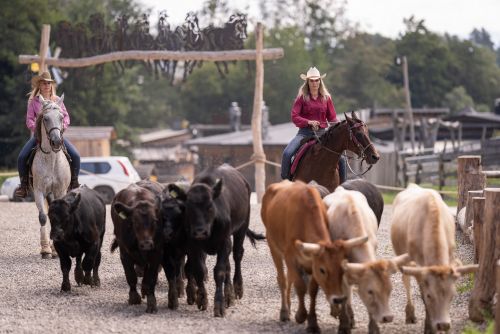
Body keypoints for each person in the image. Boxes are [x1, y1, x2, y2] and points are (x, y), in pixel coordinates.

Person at [14, 71, 80, 198]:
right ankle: (24, 186)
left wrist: (61, 128)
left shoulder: (57, 101)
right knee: (22, 157)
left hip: (56, 136)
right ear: (39, 85)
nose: (46, 85)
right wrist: (38, 130)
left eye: (49, 83)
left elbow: (66, 117)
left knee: (76, 156)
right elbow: (29, 120)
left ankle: (74, 182)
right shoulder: (34, 102)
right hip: (39, 137)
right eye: (44, 83)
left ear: (51, 85)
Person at [280, 66, 347, 182]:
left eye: (317, 80)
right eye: (312, 80)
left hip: (322, 134)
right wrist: (308, 122)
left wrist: (338, 125)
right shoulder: (301, 98)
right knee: (287, 153)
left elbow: (332, 117)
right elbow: (294, 116)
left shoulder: (327, 98)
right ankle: (287, 180)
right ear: (307, 82)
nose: (314, 83)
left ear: (320, 81)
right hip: (304, 134)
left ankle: (343, 185)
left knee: (341, 160)